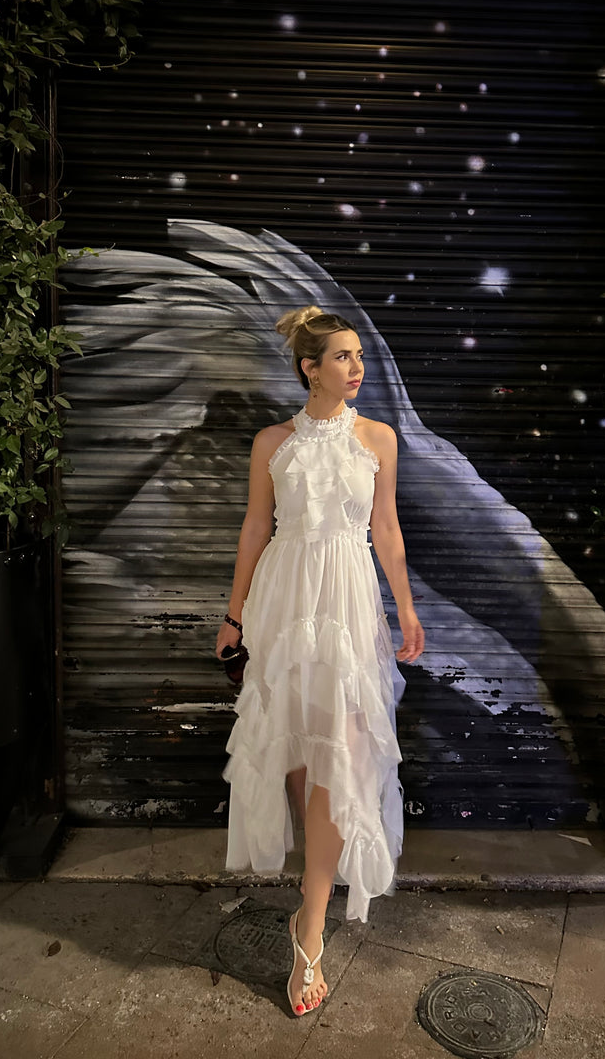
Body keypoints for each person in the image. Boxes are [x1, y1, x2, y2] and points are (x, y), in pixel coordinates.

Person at [216, 305, 424, 1017]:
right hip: (285, 602)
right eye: (342, 356)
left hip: (348, 603)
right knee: (304, 757)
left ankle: (310, 927)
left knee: (341, 752)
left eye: (359, 355)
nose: (357, 367)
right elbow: (255, 526)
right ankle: (313, 896)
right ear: (310, 368)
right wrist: (234, 615)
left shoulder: (379, 438)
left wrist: (407, 607)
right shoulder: (272, 443)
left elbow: (386, 528)